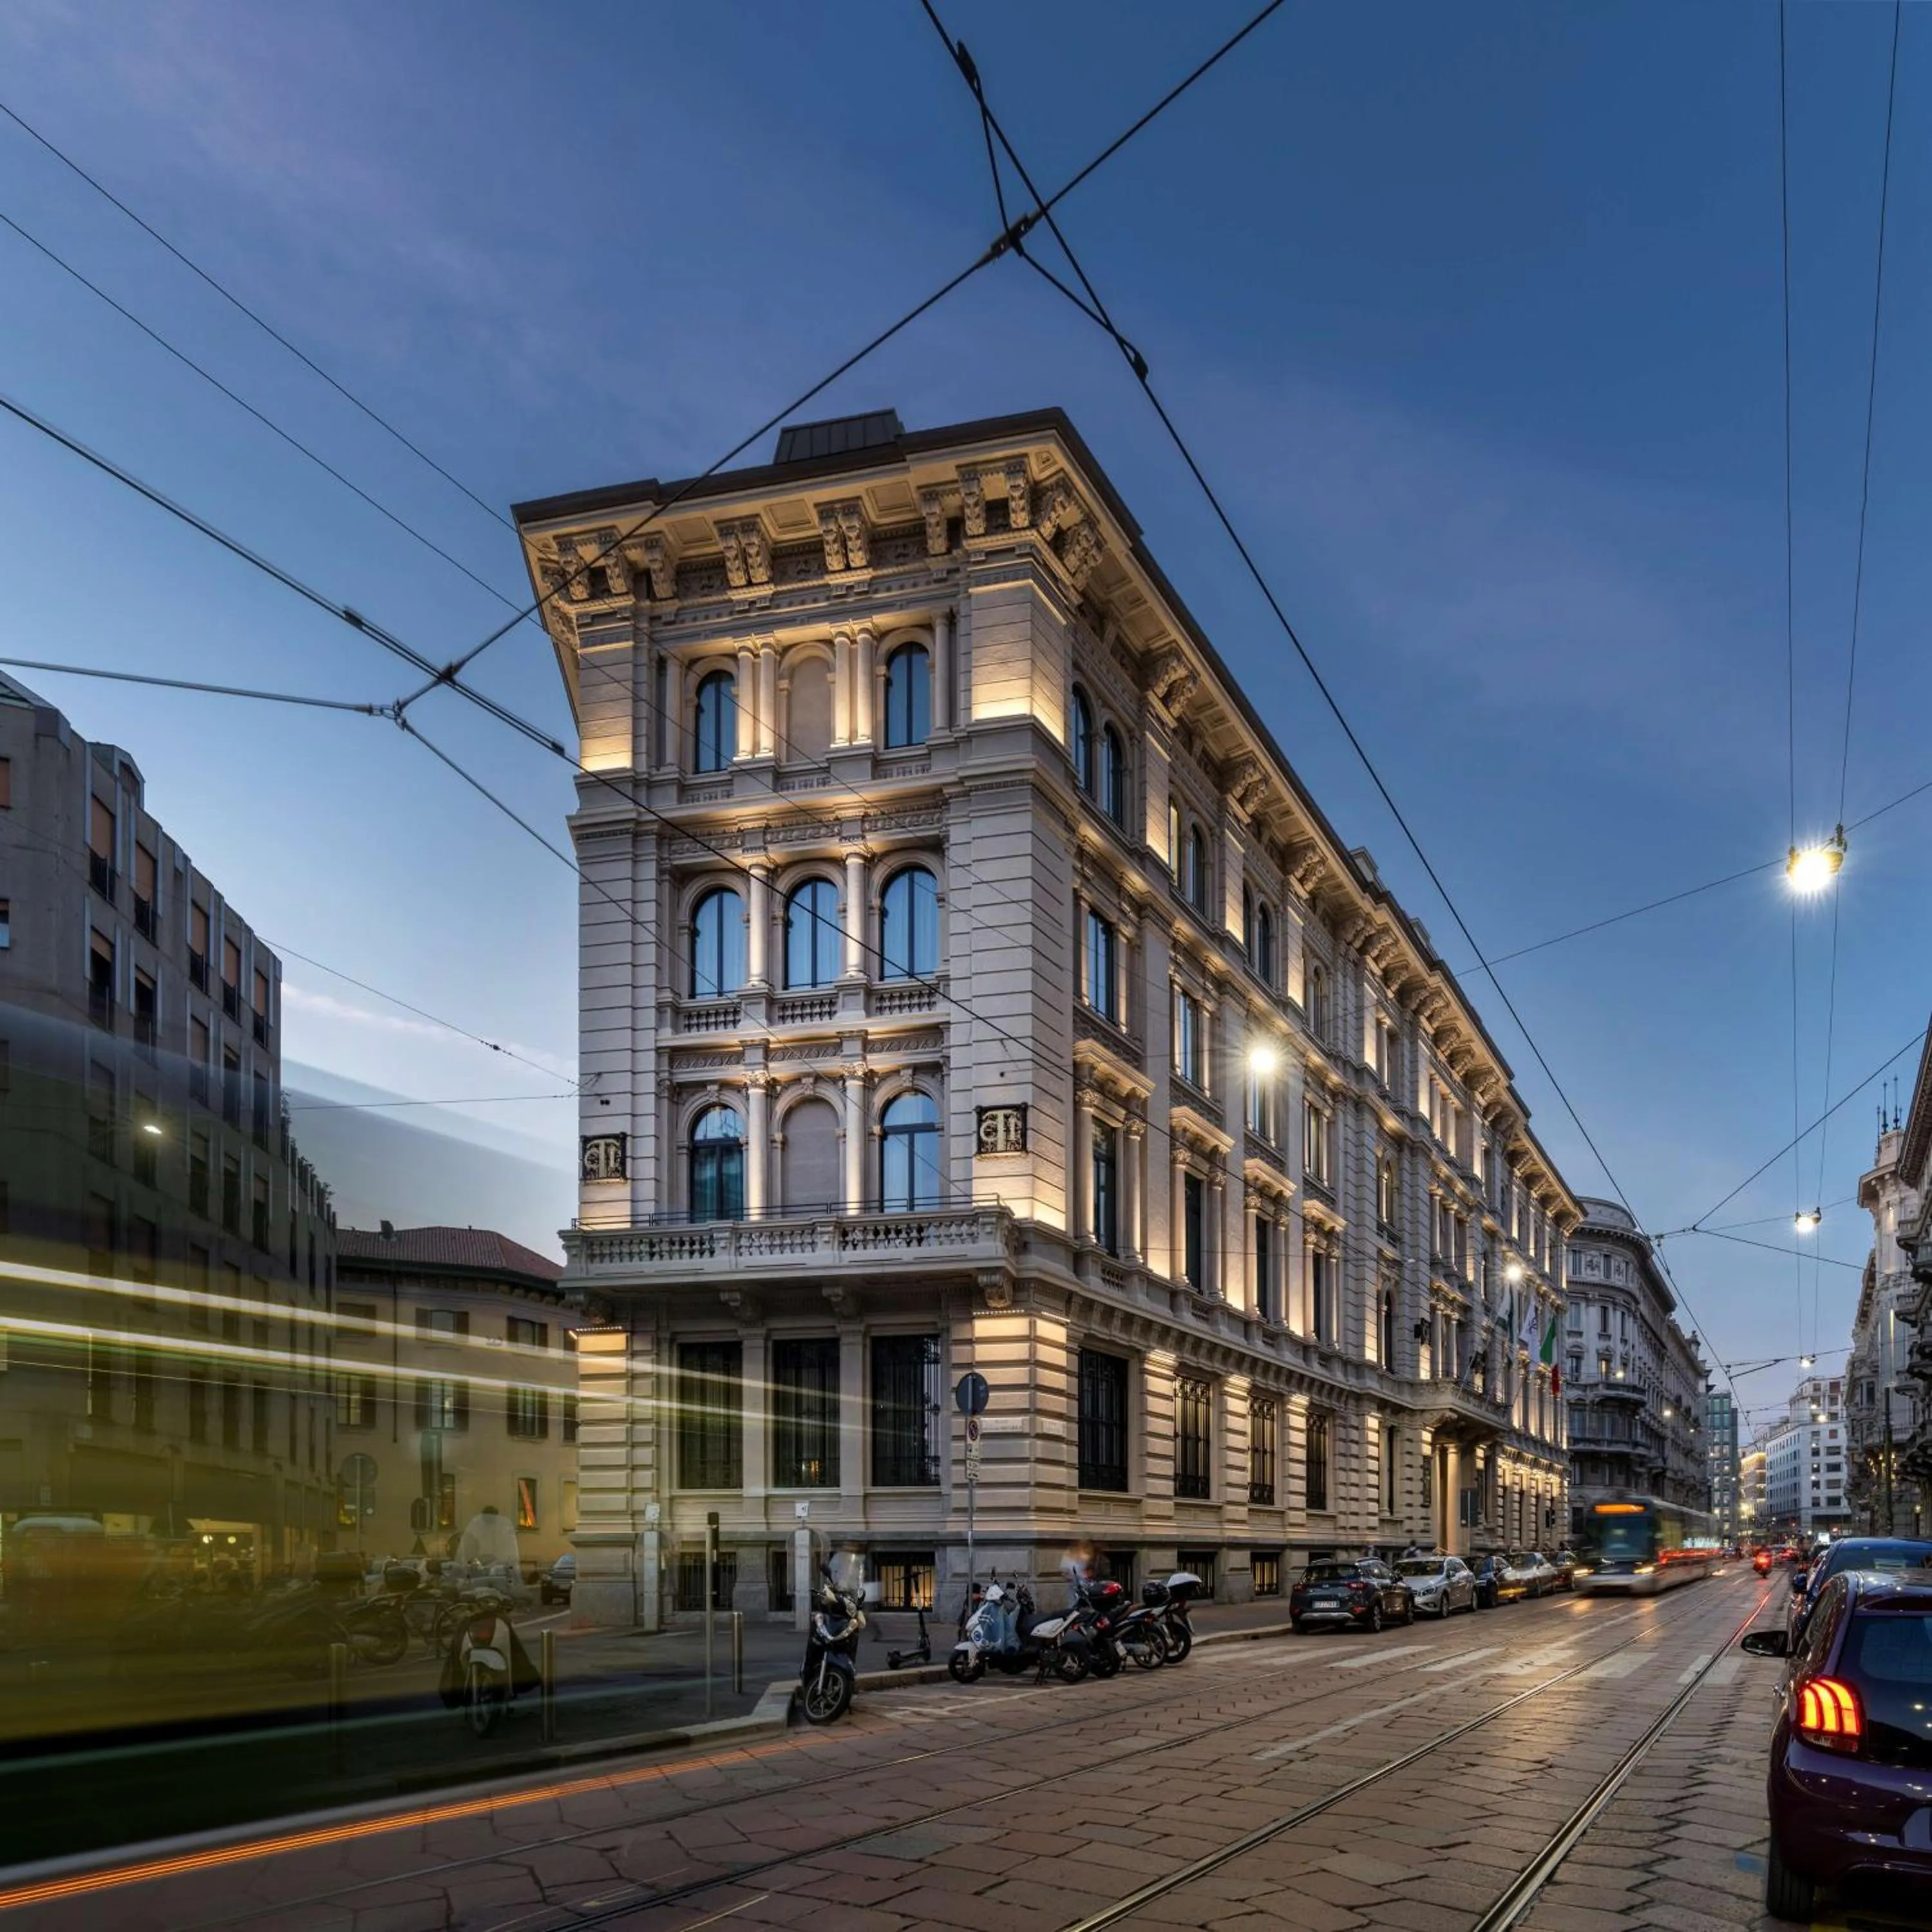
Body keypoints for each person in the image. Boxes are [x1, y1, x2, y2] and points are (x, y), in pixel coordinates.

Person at [456, 1504, 521, 1584]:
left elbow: (509, 1553)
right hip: (480, 1572)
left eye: (492, 1520)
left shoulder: (503, 1527)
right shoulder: (476, 1526)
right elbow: (468, 1554)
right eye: (487, 1520)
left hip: (499, 1573)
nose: (490, 1523)